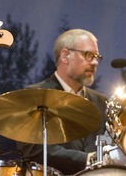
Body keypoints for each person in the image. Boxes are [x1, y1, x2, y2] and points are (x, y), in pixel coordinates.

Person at [17, 29, 108, 175]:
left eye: (97, 57)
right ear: (65, 56)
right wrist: (89, 159)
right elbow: (34, 149)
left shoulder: (101, 102)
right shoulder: (34, 95)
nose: (95, 62)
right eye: (88, 55)